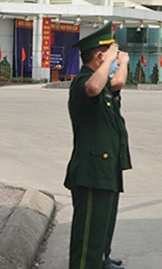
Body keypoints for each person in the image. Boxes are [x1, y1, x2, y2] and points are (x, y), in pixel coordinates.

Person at [64, 22, 131, 269]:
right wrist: (109, 61)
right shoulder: (85, 81)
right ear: (100, 56)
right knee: (89, 229)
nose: (115, 60)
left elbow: (117, 84)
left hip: (106, 168)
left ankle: (101, 258)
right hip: (91, 171)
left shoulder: (105, 83)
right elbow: (94, 87)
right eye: (111, 53)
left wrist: (121, 63)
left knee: (103, 222)